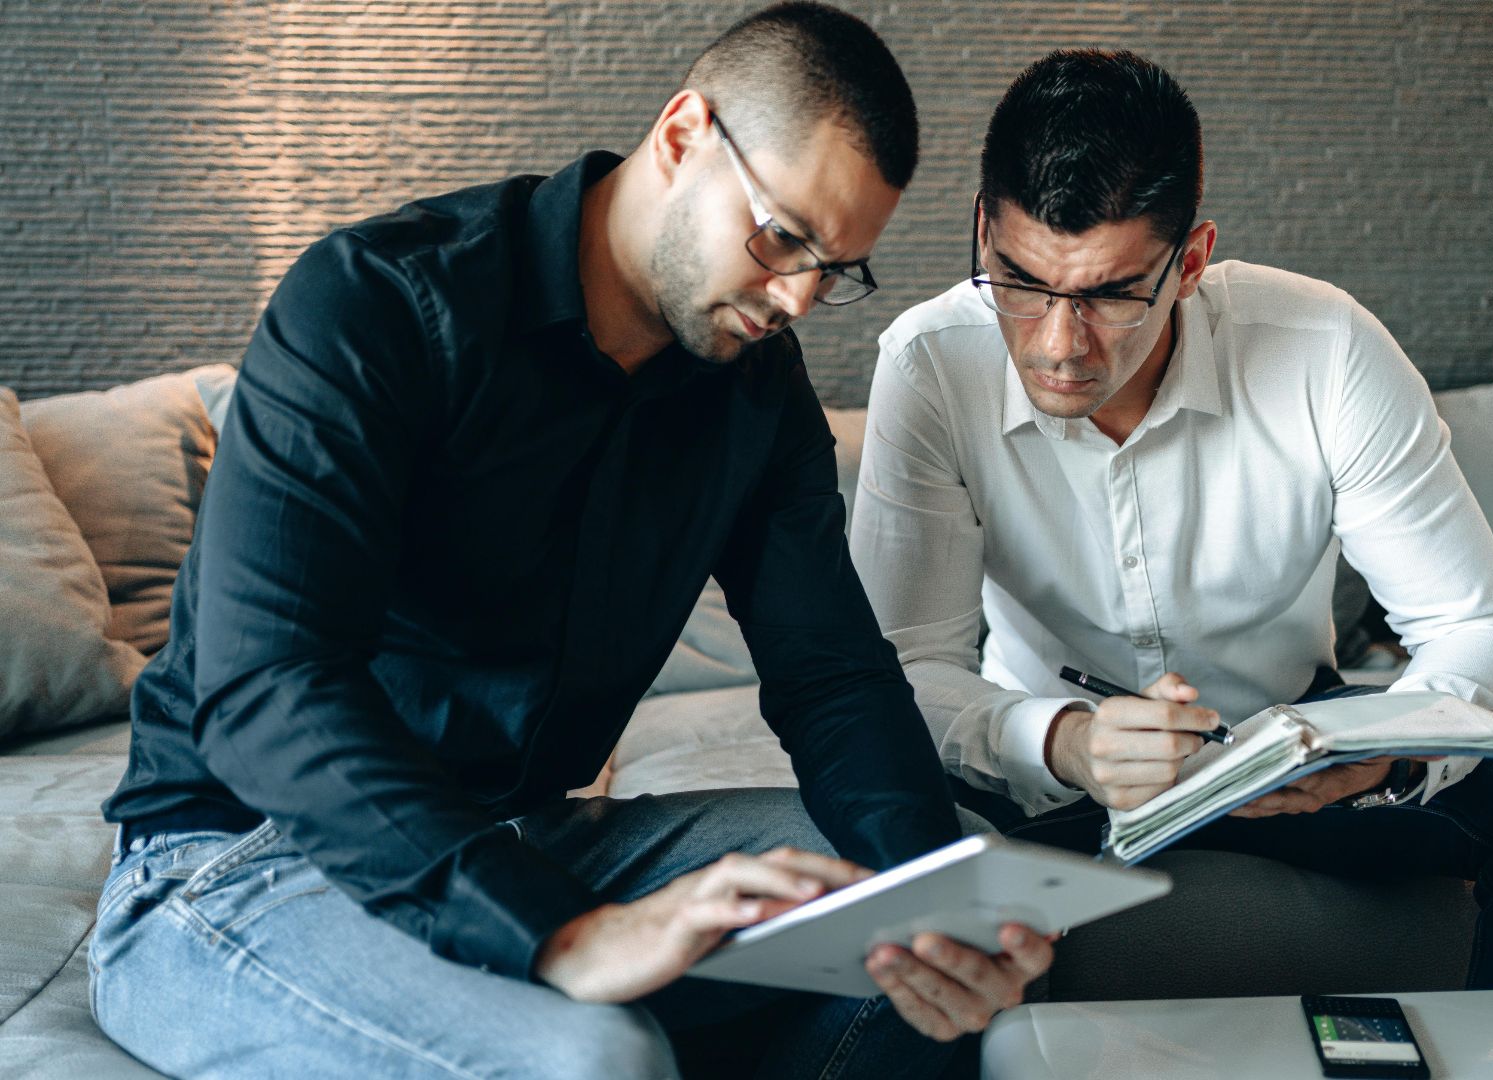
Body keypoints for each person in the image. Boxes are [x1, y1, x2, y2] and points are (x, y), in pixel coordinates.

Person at [91, 6, 1050, 1077]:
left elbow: (831, 677)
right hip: (238, 857)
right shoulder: (380, 303)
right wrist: (566, 933)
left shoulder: (753, 392)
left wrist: (930, 895)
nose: (798, 298)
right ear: (684, 135)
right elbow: (267, 687)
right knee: (593, 1054)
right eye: (784, 238)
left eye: (838, 269)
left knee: (909, 904)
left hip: (521, 835)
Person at [849, 48, 1493, 991]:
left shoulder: (1325, 347)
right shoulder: (931, 363)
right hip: (1048, 773)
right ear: (983, 230)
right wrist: (1064, 742)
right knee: (883, 817)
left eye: (1109, 294)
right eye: (1020, 281)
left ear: (1190, 261)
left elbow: (1474, 626)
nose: (1058, 345)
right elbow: (903, 667)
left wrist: (1386, 750)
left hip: (1294, 749)